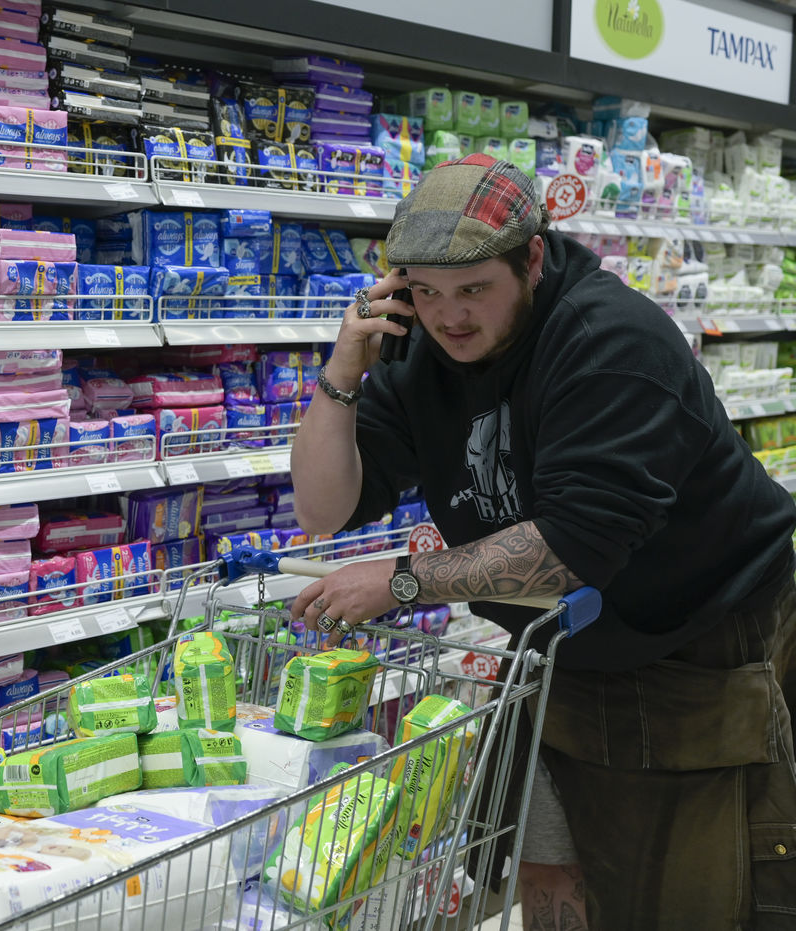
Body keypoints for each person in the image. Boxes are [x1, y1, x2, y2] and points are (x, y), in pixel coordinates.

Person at [287, 153, 796, 930]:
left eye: (473, 290)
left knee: (690, 891)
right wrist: (343, 371)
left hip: (697, 643)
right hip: (561, 648)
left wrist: (400, 579)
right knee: (553, 869)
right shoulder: (423, 348)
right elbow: (323, 506)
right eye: (425, 293)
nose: (450, 318)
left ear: (532, 257)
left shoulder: (610, 341)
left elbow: (572, 549)